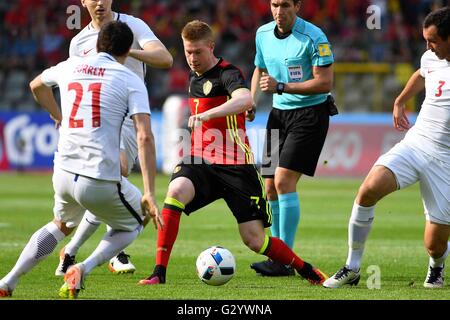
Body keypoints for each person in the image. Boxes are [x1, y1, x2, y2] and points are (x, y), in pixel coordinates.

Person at [138, 20, 327, 286]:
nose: (192, 59)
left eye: (198, 52)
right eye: (188, 52)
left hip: (236, 165)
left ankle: (305, 268)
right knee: (176, 191)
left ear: (211, 47)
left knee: (254, 240)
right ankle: (159, 272)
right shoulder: (194, 76)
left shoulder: (228, 73)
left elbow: (245, 99)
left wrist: (208, 114)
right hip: (201, 160)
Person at [0, 21, 162, 299]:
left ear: (98, 43)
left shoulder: (71, 65)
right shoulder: (130, 79)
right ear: (128, 50)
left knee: (60, 224)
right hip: (98, 177)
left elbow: (36, 85)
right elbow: (145, 136)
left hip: (63, 172)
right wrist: (149, 192)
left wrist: (59, 116)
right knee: (137, 219)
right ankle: (83, 268)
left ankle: (8, 281)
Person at [323, 7, 450, 289]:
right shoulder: (432, 57)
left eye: (433, 40)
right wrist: (400, 100)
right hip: (417, 142)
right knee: (368, 190)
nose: (428, 47)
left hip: (445, 160)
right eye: (426, 40)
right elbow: (421, 73)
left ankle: (437, 267)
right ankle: (352, 267)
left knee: (434, 244)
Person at [55, 0, 173, 277]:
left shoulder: (132, 26)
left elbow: (165, 59)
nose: (99, 2)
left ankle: (75, 251)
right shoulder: (79, 42)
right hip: (97, 121)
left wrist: (126, 51)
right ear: (83, 2)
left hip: (129, 120)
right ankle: (101, 252)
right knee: (110, 176)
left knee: (112, 178)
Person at [250, 0, 335, 276]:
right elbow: (259, 69)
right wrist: (250, 101)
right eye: (274, 4)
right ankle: (279, 256)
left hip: (310, 114)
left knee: (285, 180)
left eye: (285, 4)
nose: (278, 11)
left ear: (298, 6)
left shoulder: (314, 37)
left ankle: (284, 259)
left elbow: (325, 82)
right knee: (270, 186)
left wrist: (282, 86)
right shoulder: (262, 34)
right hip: (279, 114)